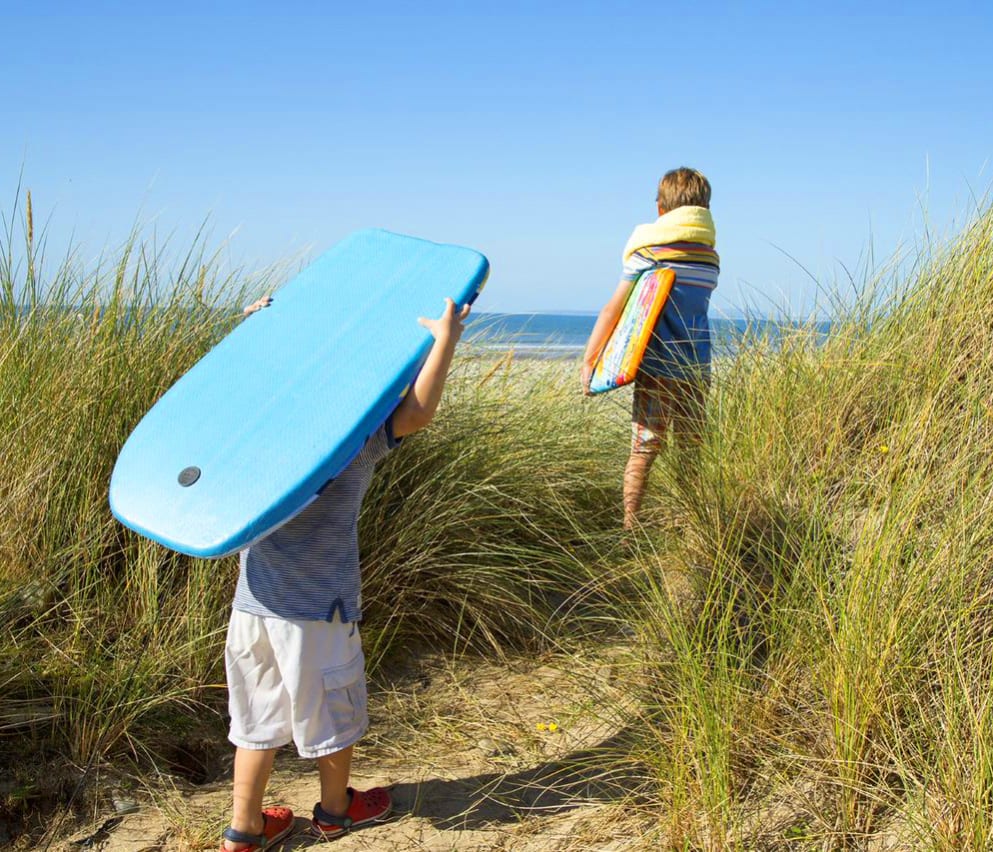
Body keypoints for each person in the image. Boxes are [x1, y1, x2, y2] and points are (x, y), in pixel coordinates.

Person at [219, 296, 471, 851]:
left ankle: (245, 828)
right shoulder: (346, 445)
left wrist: (260, 330)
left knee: (256, 718)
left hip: (252, 604)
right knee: (332, 710)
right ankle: (336, 811)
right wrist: (445, 338)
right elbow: (419, 411)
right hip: (319, 611)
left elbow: (238, 389)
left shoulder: (252, 441)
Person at [581, 167, 720, 529]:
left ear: (661, 210)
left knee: (643, 451)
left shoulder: (651, 252)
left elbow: (615, 308)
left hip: (658, 369)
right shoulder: (710, 259)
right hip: (697, 369)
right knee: (691, 451)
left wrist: (590, 359)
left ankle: (631, 529)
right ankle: (694, 525)